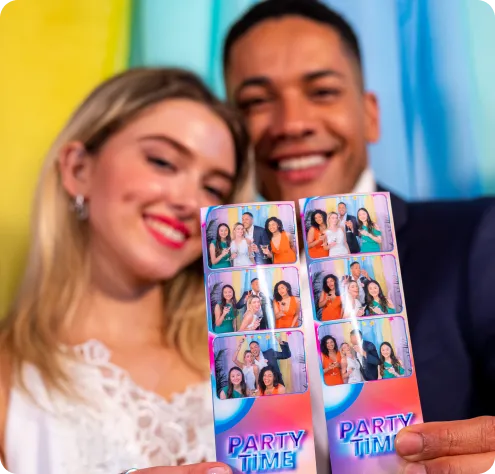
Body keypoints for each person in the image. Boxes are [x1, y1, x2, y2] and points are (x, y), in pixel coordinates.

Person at [223, 1, 495, 471]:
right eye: (255, 102)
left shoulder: (475, 237)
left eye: (322, 92)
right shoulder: (204, 283)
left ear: (370, 115)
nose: (292, 124)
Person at [0, 67, 249, 473]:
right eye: (163, 162)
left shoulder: (246, 364)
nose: (190, 202)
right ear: (78, 169)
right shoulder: (10, 378)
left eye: (213, 189)